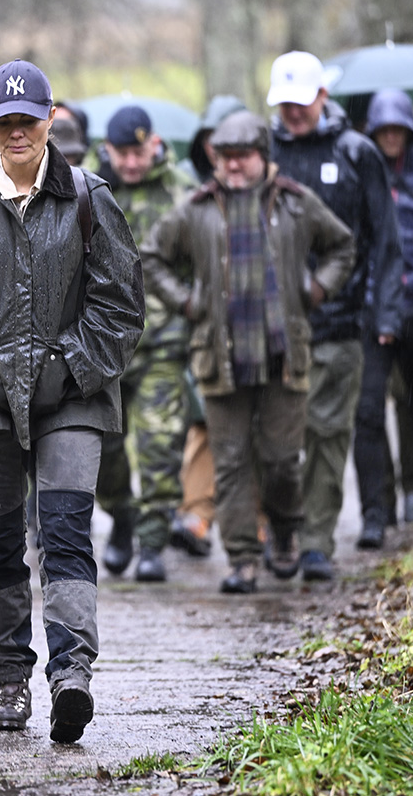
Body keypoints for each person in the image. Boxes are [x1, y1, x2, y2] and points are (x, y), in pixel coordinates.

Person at [0, 59, 144, 743]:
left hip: (72, 399)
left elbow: (121, 308)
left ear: (49, 122)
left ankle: (72, 673)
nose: (17, 132)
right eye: (4, 122)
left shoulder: (91, 198)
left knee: (67, 533)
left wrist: (70, 367)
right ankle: (10, 680)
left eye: (28, 121)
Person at [142, 111, 355, 593]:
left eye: (242, 158)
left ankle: (284, 531)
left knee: (281, 461)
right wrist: (185, 301)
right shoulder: (196, 208)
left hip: (283, 356)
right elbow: (152, 257)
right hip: (220, 357)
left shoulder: (298, 204)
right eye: (224, 158)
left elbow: (342, 246)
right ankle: (242, 559)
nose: (232, 167)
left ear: (264, 156)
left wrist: (317, 290)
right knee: (231, 462)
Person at [267, 51, 403, 581]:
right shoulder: (263, 150)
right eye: (286, 105)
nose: (294, 114)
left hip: (343, 323)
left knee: (328, 433)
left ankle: (317, 542)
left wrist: (385, 312)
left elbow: (385, 239)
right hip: (274, 325)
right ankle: (283, 531)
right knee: (277, 443)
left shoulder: (356, 153)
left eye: (303, 103)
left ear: (323, 97)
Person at [94, 105, 193, 582]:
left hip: (163, 343)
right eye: (122, 153)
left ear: (154, 144)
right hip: (105, 346)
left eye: (139, 151)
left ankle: (153, 542)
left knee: (159, 445)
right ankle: (121, 517)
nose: (131, 163)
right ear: (107, 150)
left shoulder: (181, 192)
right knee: (103, 449)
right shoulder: (88, 192)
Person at [170, 94, 246, 557]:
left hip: (257, 321)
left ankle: (258, 526)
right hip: (201, 324)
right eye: (212, 141)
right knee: (204, 419)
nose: (221, 150)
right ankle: (197, 516)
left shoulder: (269, 190)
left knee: (256, 426)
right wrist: (184, 300)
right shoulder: (188, 193)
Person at [352, 89, 413, 542]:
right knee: (367, 413)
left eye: (398, 129)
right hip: (372, 309)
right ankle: (375, 513)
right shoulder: (360, 175)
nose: (391, 138)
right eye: (383, 131)